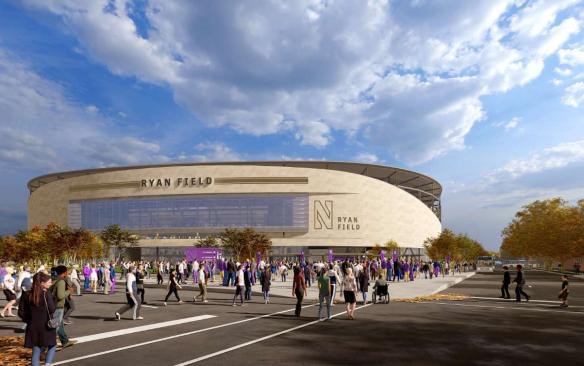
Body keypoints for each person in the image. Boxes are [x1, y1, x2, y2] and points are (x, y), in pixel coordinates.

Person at [18, 272, 58, 366]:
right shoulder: (46, 294)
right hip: (46, 326)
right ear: (42, 283)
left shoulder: (26, 294)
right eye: (49, 282)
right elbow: (52, 309)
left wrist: (29, 320)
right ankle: (47, 364)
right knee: (52, 345)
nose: (50, 283)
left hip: (32, 327)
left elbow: (21, 312)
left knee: (36, 351)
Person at [51, 265, 76, 349]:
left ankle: (65, 341)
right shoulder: (61, 281)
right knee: (56, 327)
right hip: (58, 307)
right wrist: (69, 291)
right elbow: (60, 296)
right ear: (65, 272)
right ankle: (48, 345)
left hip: (53, 306)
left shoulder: (53, 280)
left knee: (60, 325)